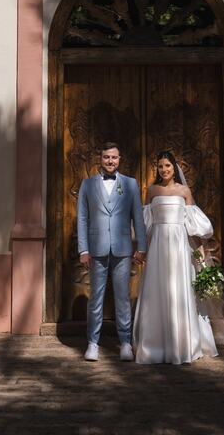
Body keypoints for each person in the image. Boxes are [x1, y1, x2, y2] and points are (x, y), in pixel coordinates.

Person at [133, 150, 218, 365]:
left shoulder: (184, 191)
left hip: (180, 247)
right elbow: (146, 226)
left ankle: (182, 345)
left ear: (175, 167)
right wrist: (142, 249)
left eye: (167, 166)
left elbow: (194, 227)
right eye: (160, 166)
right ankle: (155, 345)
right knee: (157, 290)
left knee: (179, 290)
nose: (164, 170)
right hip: (159, 247)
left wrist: (201, 255)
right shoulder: (151, 191)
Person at [77, 142, 147, 362]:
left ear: (119, 159)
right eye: (107, 157)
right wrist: (83, 249)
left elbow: (138, 216)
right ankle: (93, 343)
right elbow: (82, 218)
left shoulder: (130, 184)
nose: (110, 161)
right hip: (96, 248)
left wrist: (142, 246)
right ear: (100, 159)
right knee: (95, 298)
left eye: (114, 157)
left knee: (122, 298)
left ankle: (125, 343)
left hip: (123, 248)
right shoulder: (87, 185)